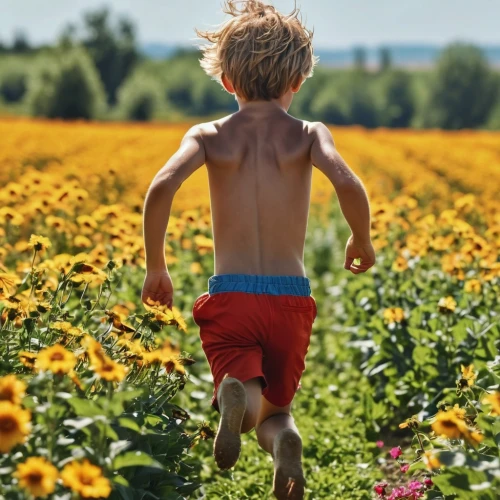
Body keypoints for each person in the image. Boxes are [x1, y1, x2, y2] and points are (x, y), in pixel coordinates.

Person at [141, 1, 376, 498]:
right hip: (291, 298)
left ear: (226, 81)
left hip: (232, 294)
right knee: (280, 410)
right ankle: (286, 440)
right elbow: (347, 183)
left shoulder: (207, 136)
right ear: (300, 79)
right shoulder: (310, 134)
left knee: (245, 398)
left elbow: (161, 186)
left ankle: (236, 400)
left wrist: (156, 266)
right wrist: (361, 237)